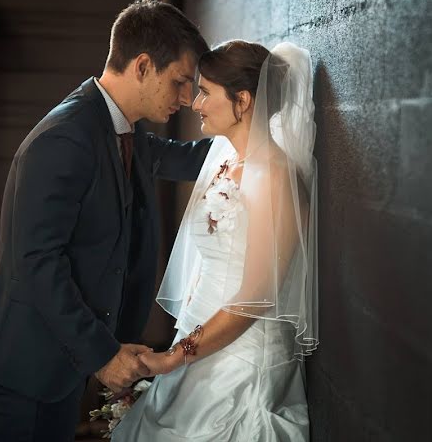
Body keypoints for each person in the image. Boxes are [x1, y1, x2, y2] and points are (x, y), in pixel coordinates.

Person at [0, 0, 212, 441]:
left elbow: (189, 160)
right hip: (26, 367)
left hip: (58, 365)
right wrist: (103, 354)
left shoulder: (122, 131)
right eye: (181, 82)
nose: (187, 98)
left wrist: (250, 128)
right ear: (143, 66)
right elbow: (37, 263)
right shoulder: (66, 138)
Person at [112, 40, 319, 441]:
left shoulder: (275, 178)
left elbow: (254, 299)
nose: (195, 102)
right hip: (200, 340)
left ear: (241, 101)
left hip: (241, 359)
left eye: (206, 91)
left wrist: (174, 357)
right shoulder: (224, 159)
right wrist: (181, 353)